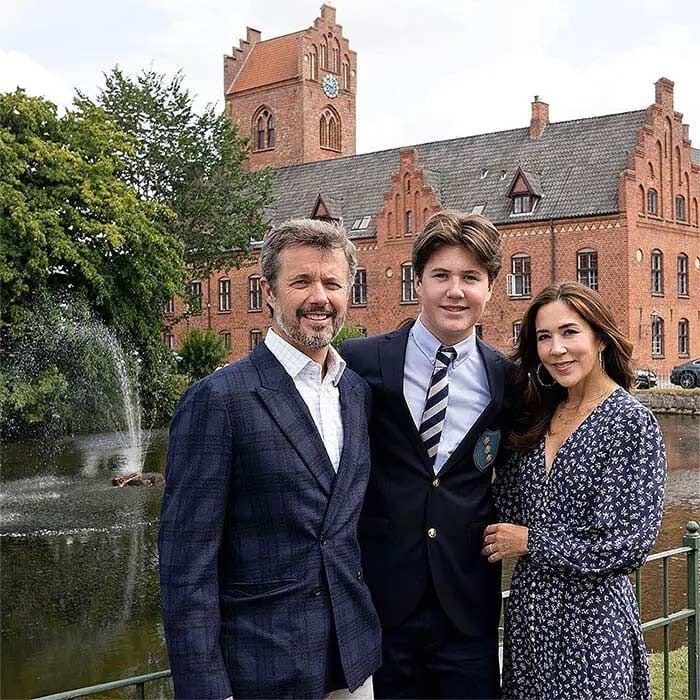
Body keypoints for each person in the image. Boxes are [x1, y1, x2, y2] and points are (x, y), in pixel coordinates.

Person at [158, 219, 381, 700]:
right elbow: (186, 569)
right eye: (301, 282)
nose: (319, 297)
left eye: (332, 283)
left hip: (352, 663)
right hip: (261, 668)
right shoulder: (218, 400)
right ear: (270, 292)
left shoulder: (356, 394)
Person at [342, 210, 513, 700]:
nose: (454, 291)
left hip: (467, 608)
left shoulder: (507, 380)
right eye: (440, 275)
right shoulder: (362, 362)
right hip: (383, 604)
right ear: (418, 281)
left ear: (490, 288)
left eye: (470, 278)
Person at [483, 281, 666, 700]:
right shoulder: (538, 415)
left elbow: (626, 545)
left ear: (599, 337)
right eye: (544, 337)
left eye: (569, 332)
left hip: (593, 628)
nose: (556, 349)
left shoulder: (630, 424)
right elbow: (505, 505)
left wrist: (531, 542)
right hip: (531, 624)